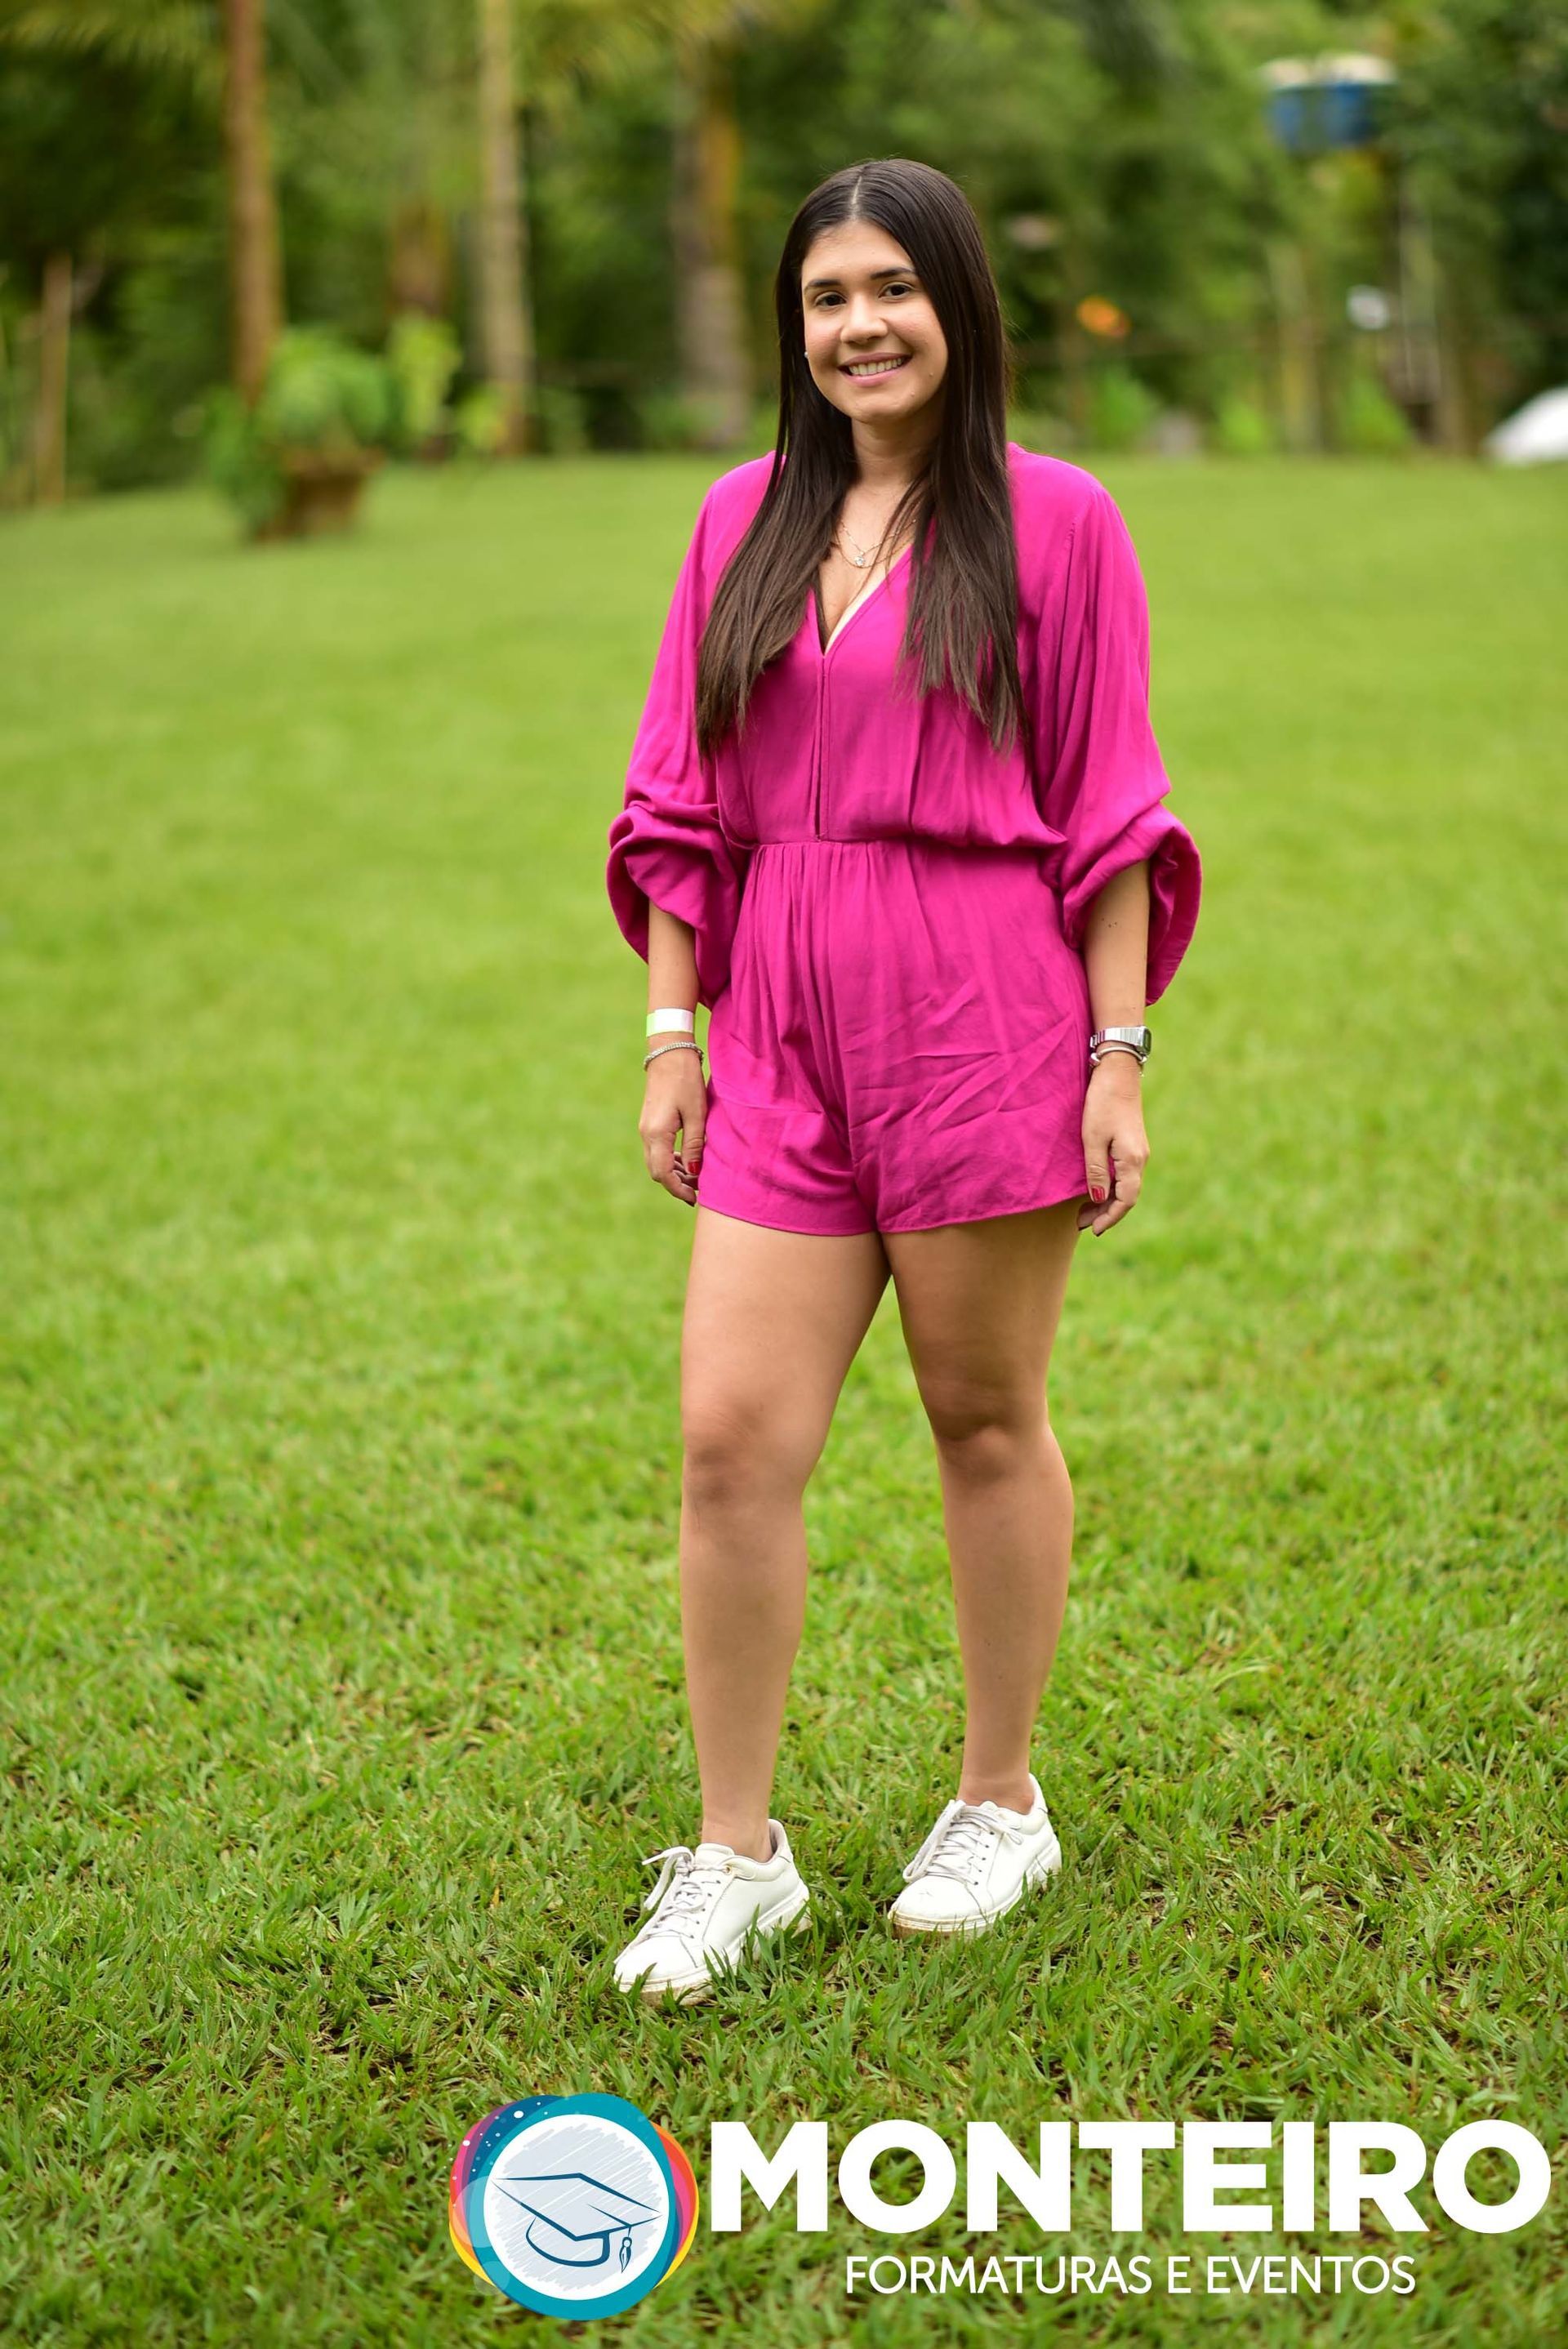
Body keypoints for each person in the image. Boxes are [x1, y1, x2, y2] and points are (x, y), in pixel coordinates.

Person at [604, 158, 1202, 2004]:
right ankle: (737, 1853)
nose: (859, 325)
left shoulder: (1061, 521)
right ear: (795, 326)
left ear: (958, 305)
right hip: (781, 1026)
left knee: (982, 1416)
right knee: (731, 1439)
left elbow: (1110, 807)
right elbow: (678, 795)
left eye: (892, 288)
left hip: (978, 1013)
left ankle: (999, 1801)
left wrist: (1116, 1056)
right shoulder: (740, 520)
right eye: (825, 296)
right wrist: (674, 1032)